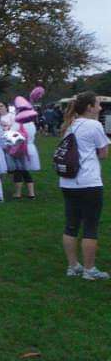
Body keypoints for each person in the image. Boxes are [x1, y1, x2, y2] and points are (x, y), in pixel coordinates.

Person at [59, 91, 109, 280]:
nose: (100, 108)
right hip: (88, 182)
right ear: (89, 107)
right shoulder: (94, 125)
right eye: (97, 104)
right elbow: (104, 153)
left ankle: (73, 266)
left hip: (67, 182)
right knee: (90, 226)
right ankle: (89, 269)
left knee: (71, 225)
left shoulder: (69, 124)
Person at [9, 96, 39, 200]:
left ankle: (18, 193)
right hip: (30, 147)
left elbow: (12, 136)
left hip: (20, 148)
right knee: (25, 171)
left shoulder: (17, 123)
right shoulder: (31, 123)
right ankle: (31, 193)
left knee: (18, 170)